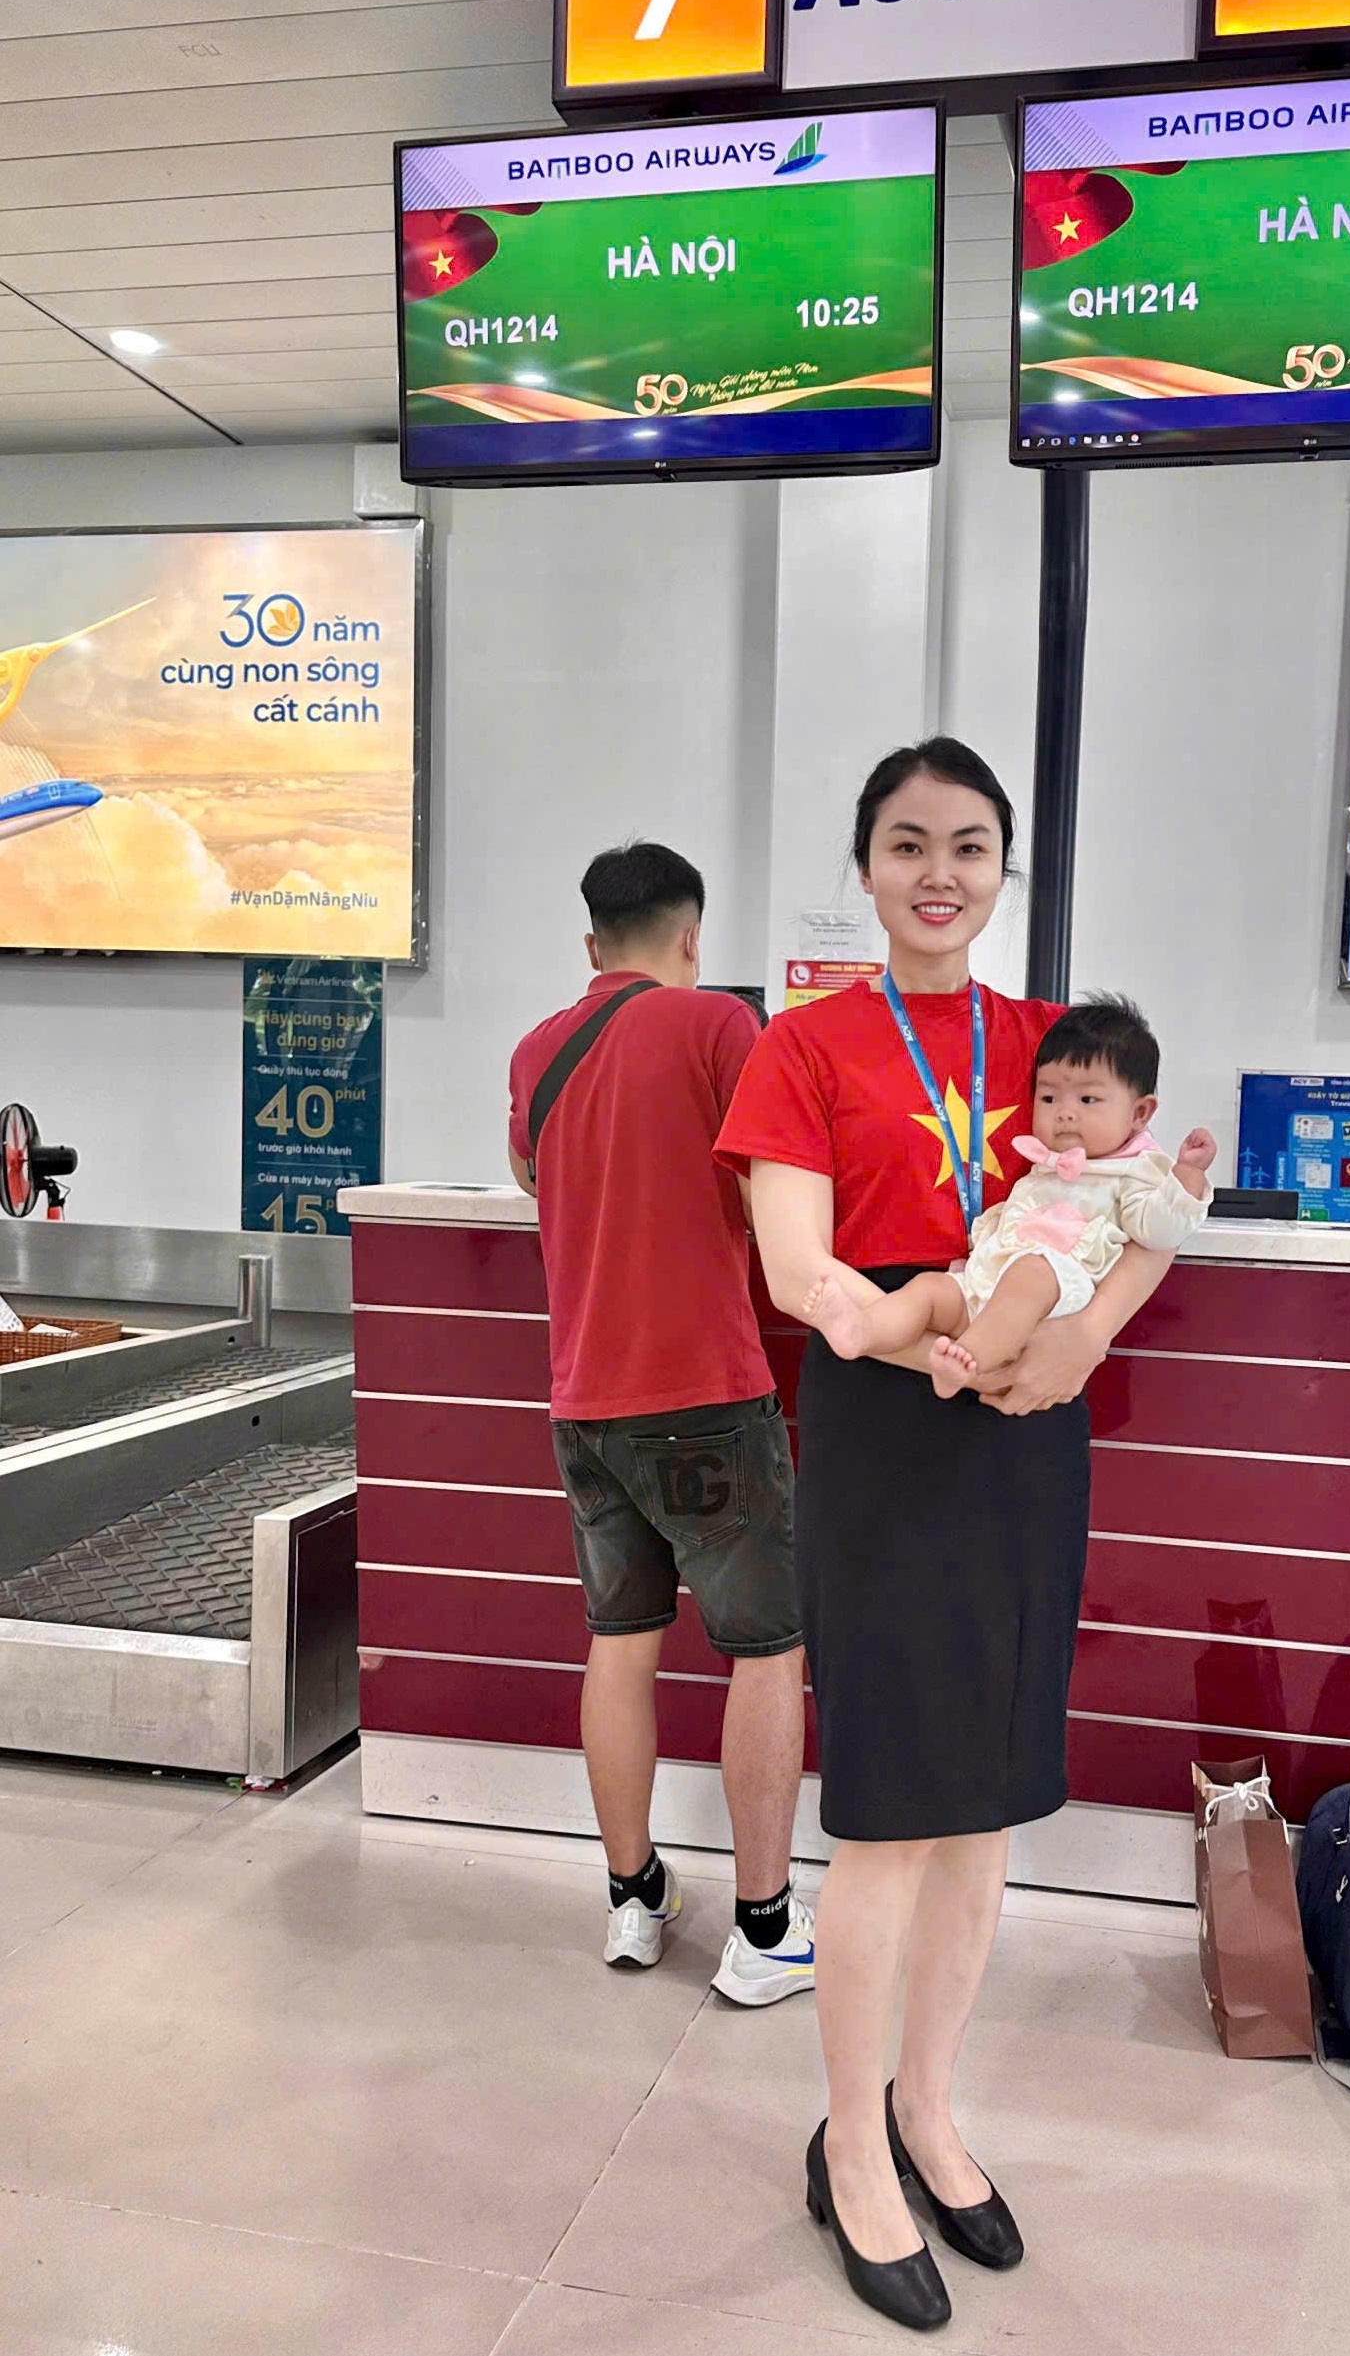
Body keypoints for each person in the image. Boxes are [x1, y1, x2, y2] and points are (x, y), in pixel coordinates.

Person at [716, 742, 1193, 2331]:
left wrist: (1079, 1342)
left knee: (984, 1801)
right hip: (889, 1426)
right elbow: (794, 1265)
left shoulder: (1055, 1042)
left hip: (1027, 1430)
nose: (940, 873)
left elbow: (1136, 1217)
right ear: (865, 865)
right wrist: (913, 1327)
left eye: (970, 845)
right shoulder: (804, 1044)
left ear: (1003, 869)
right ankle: (849, 2144)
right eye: (909, 843)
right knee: (894, 1811)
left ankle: (928, 2105)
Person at [507, 841, 814, 2007]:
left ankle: (634, 1901)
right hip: (703, 1400)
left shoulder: (538, 1047)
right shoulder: (720, 1027)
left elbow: (528, 1172)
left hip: (584, 1403)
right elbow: (775, 1191)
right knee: (766, 1648)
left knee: (621, 1641)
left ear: (592, 943)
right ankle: (766, 1928)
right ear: (692, 936)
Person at [801, 994, 1217, 1395]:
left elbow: (1159, 1231)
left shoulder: (1135, 1170)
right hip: (987, 1279)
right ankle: (863, 1331)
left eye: (1087, 1099)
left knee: (1031, 1273)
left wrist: (1188, 1174)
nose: (1064, 1112)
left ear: (1140, 1113)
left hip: (1055, 1294)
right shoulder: (1045, 1159)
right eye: (1048, 1097)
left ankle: (967, 1361)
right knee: (928, 1290)